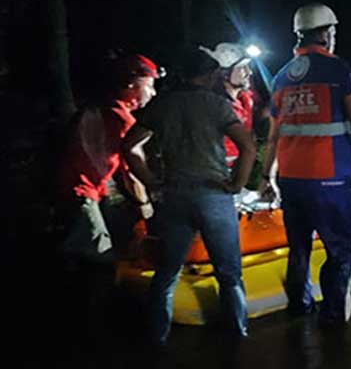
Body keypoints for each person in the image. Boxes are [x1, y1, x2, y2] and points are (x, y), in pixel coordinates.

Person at [122, 47, 256, 345]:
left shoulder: (162, 105)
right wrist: (237, 184)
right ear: (209, 75)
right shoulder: (217, 105)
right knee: (229, 274)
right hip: (214, 196)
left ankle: (156, 338)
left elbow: (130, 147)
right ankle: (238, 336)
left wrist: (152, 182)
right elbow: (248, 146)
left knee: (167, 275)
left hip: (174, 196)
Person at [258, 2, 351, 325]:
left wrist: (265, 176)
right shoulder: (337, 70)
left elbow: (273, 136)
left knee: (299, 250)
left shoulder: (281, 78)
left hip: (291, 182)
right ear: (326, 33)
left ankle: (300, 312)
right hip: (331, 180)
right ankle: (334, 321)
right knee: (339, 252)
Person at [56, 52, 160, 265]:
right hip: (80, 191)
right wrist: (145, 203)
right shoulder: (121, 119)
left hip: (82, 188)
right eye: (148, 86)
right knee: (98, 255)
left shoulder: (99, 108)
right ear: (130, 84)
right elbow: (130, 171)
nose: (153, 93)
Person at [199, 42, 257, 166]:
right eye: (243, 67)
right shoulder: (213, 104)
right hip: (215, 171)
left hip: (235, 168)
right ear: (225, 74)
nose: (249, 72)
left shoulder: (245, 100)